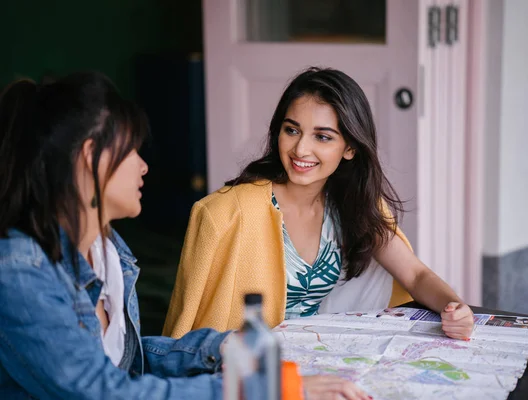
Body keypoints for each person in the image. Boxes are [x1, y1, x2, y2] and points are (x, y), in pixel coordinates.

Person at [0, 72, 367, 400]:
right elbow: (103, 390)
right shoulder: (19, 274)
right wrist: (265, 389)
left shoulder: (106, 249)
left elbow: (128, 361)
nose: (143, 166)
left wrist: (222, 347)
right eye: (131, 151)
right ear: (89, 158)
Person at [163, 67, 475, 347]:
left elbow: (416, 275)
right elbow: (185, 322)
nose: (301, 149)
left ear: (350, 147)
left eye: (322, 137)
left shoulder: (356, 205)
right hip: (247, 368)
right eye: (292, 130)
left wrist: (454, 307)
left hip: (323, 358)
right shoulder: (225, 213)